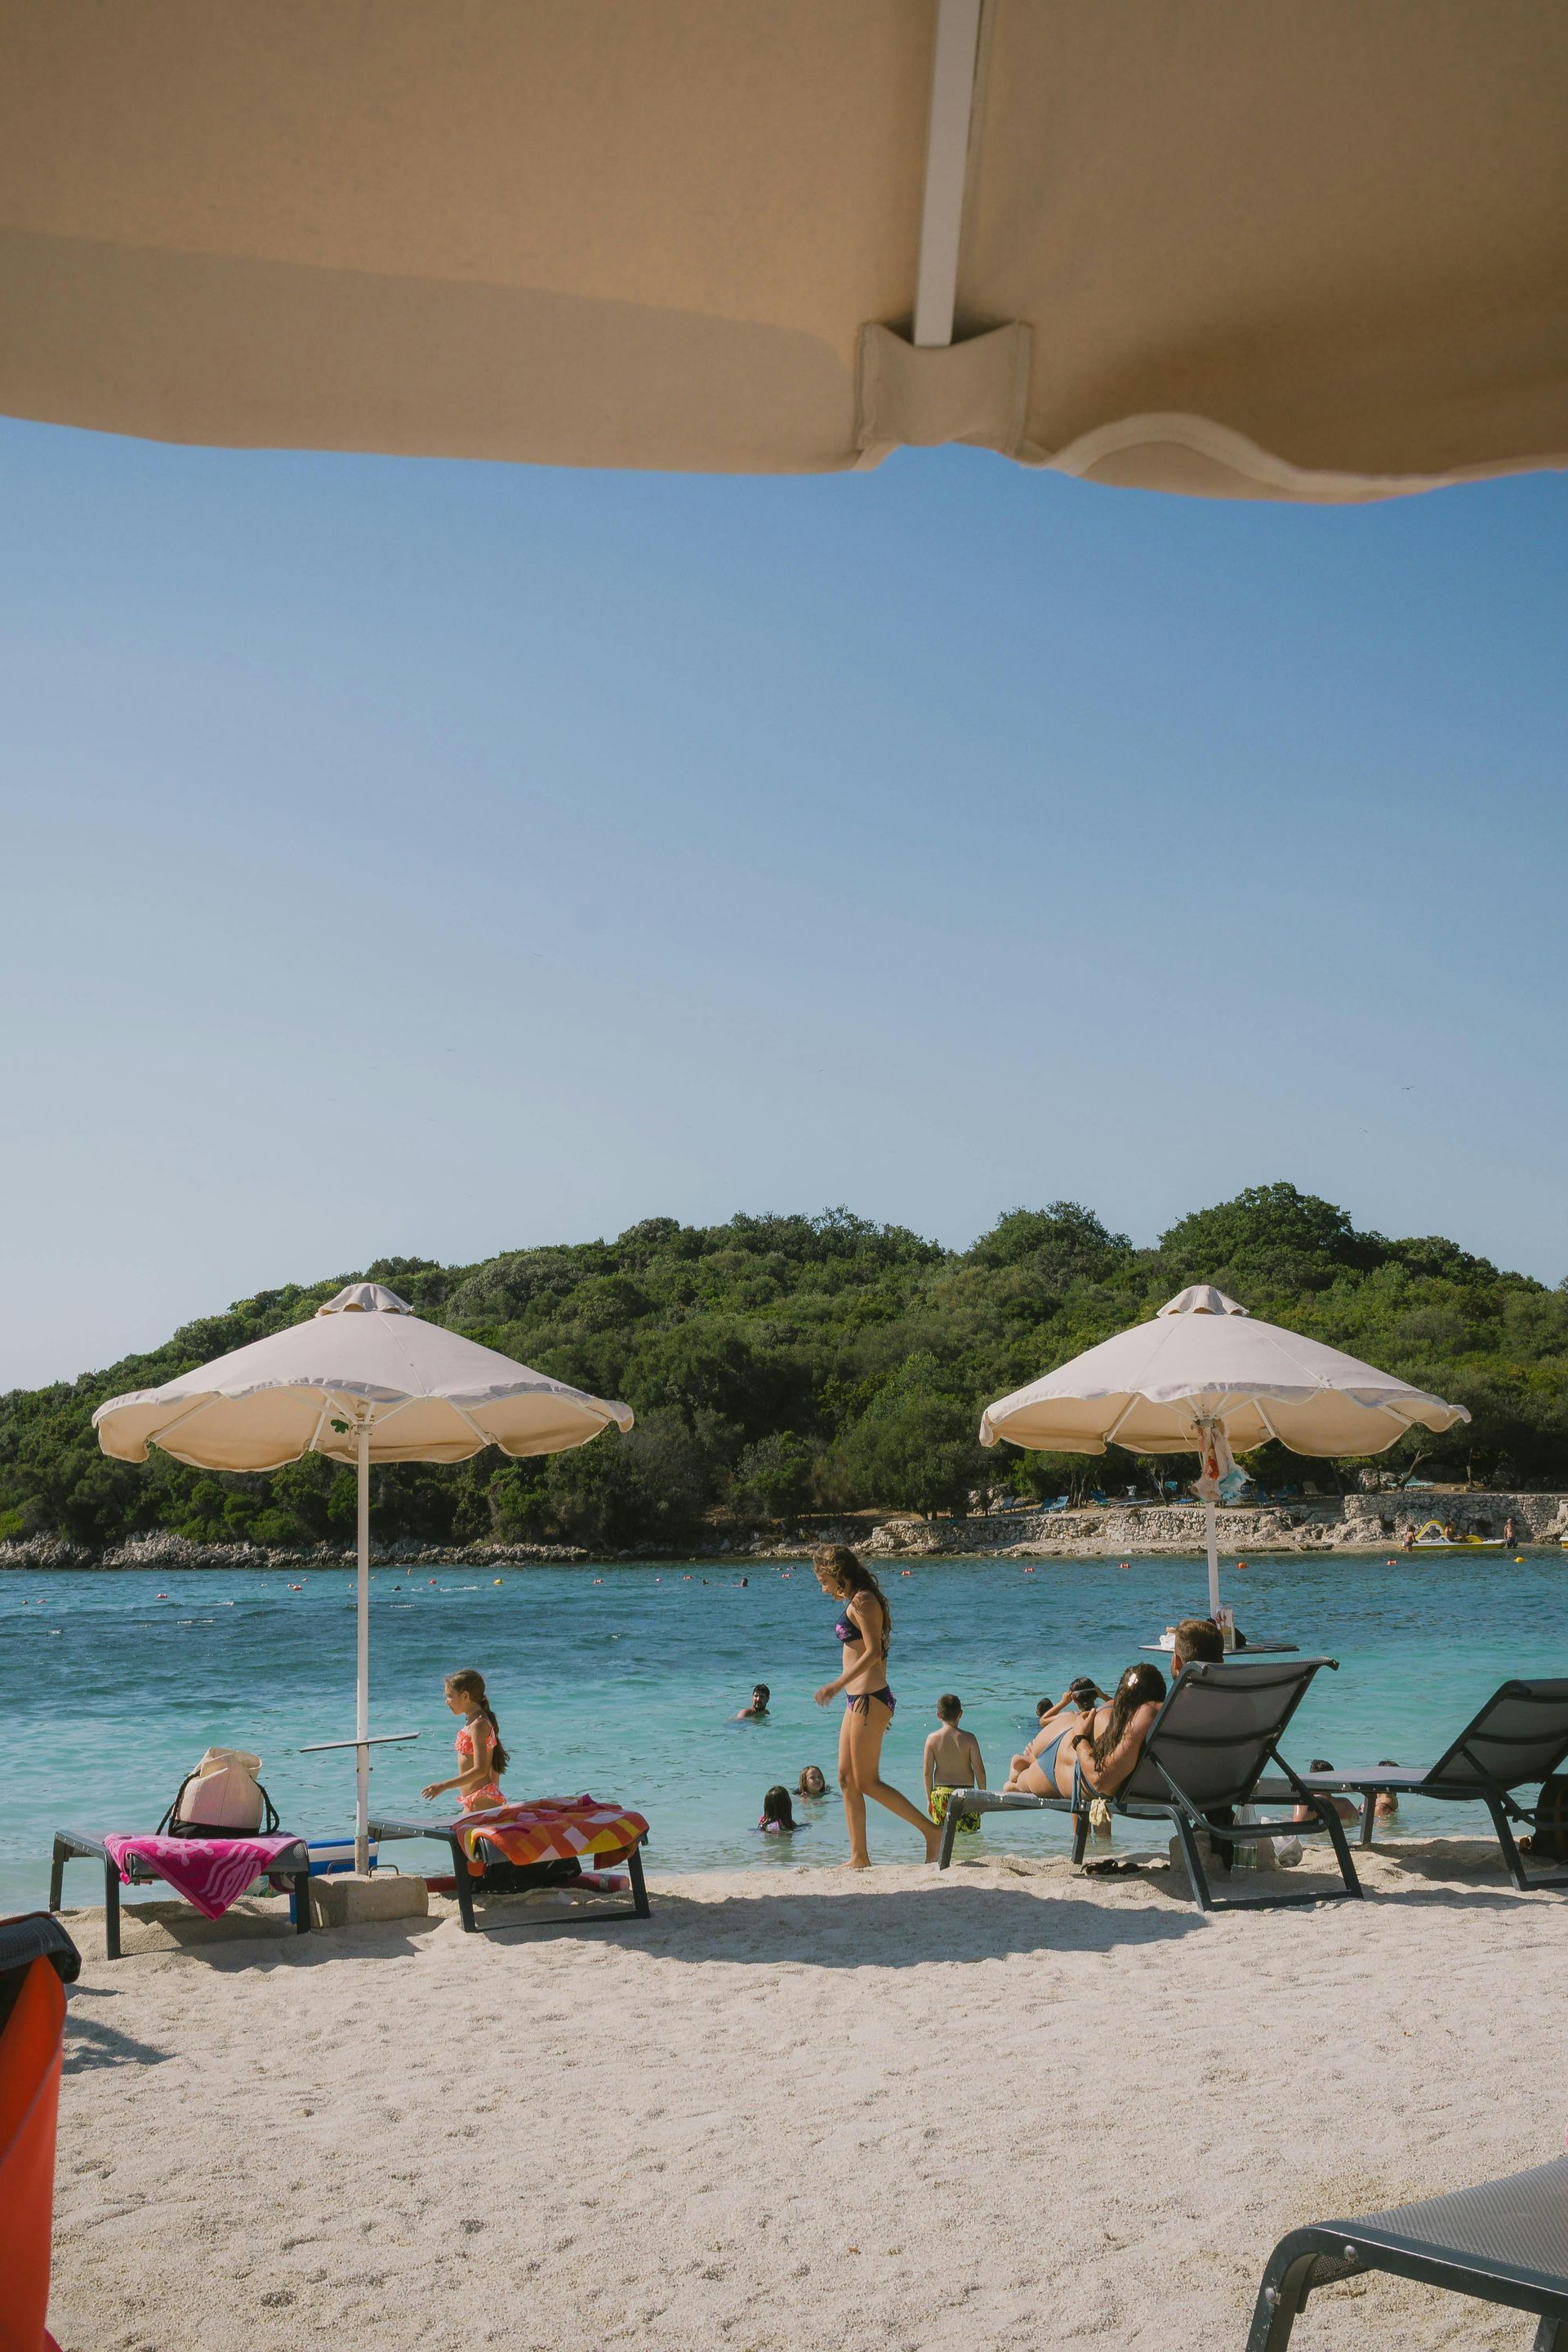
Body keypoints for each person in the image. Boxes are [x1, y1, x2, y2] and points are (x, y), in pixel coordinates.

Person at [812, 1544, 941, 1864]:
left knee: (867, 1781)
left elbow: (872, 1653)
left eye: (823, 1579)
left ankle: (932, 1832)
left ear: (836, 1572)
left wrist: (836, 1683)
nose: (822, 1587)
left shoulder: (864, 1601)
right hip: (858, 1700)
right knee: (844, 1778)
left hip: (869, 1700)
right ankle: (859, 1857)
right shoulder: (856, 1600)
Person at [1010, 1662, 1167, 1805]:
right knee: (1025, 1781)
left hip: (1065, 1739)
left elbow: (1100, 1779)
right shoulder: (1168, 1715)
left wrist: (1080, 1738)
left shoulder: (1136, 1717)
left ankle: (1025, 1763)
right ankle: (1024, 1767)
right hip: (1065, 1754)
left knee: (1025, 1780)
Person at [421, 1668, 510, 1812]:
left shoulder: (479, 1725)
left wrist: (443, 1786)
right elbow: (493, 1764)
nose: (446, 1701)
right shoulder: (475, 1722)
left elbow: (481, 1770)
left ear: (465, 1696)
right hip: (476, 1801)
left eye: (450, 1696)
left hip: (482, 1800)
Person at [1007, 1679, 1102, 1785]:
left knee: (1015, 1775)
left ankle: (1026, 1765)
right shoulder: (1102, 1715)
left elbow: (1043, 1720)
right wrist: (1103, 1695)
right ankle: (1023, 1770)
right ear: (1095, 1695)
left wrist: (1064, 1702)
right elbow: (1119, 1709)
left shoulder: (1071, 1716)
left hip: (1063, 1763)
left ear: (1074, 1699)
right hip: (1083, 1764)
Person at [924, 1695, 987, 1834]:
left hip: (942, 1796)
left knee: (944, 1837)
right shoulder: (970, 1739)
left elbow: (927, 1773)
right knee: (969, 1837)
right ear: (960, 1714)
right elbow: (980, 1771)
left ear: (938, 1715)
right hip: (967, 1796)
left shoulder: (931, 1740)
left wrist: (929, 1800)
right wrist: (982, 1799)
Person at [1294, 1761, 1360, 1826]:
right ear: (1333, 1779)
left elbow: (1296, 1828)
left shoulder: (1302, 1805)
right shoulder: (1346, 1804)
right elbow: (1357, 1823)